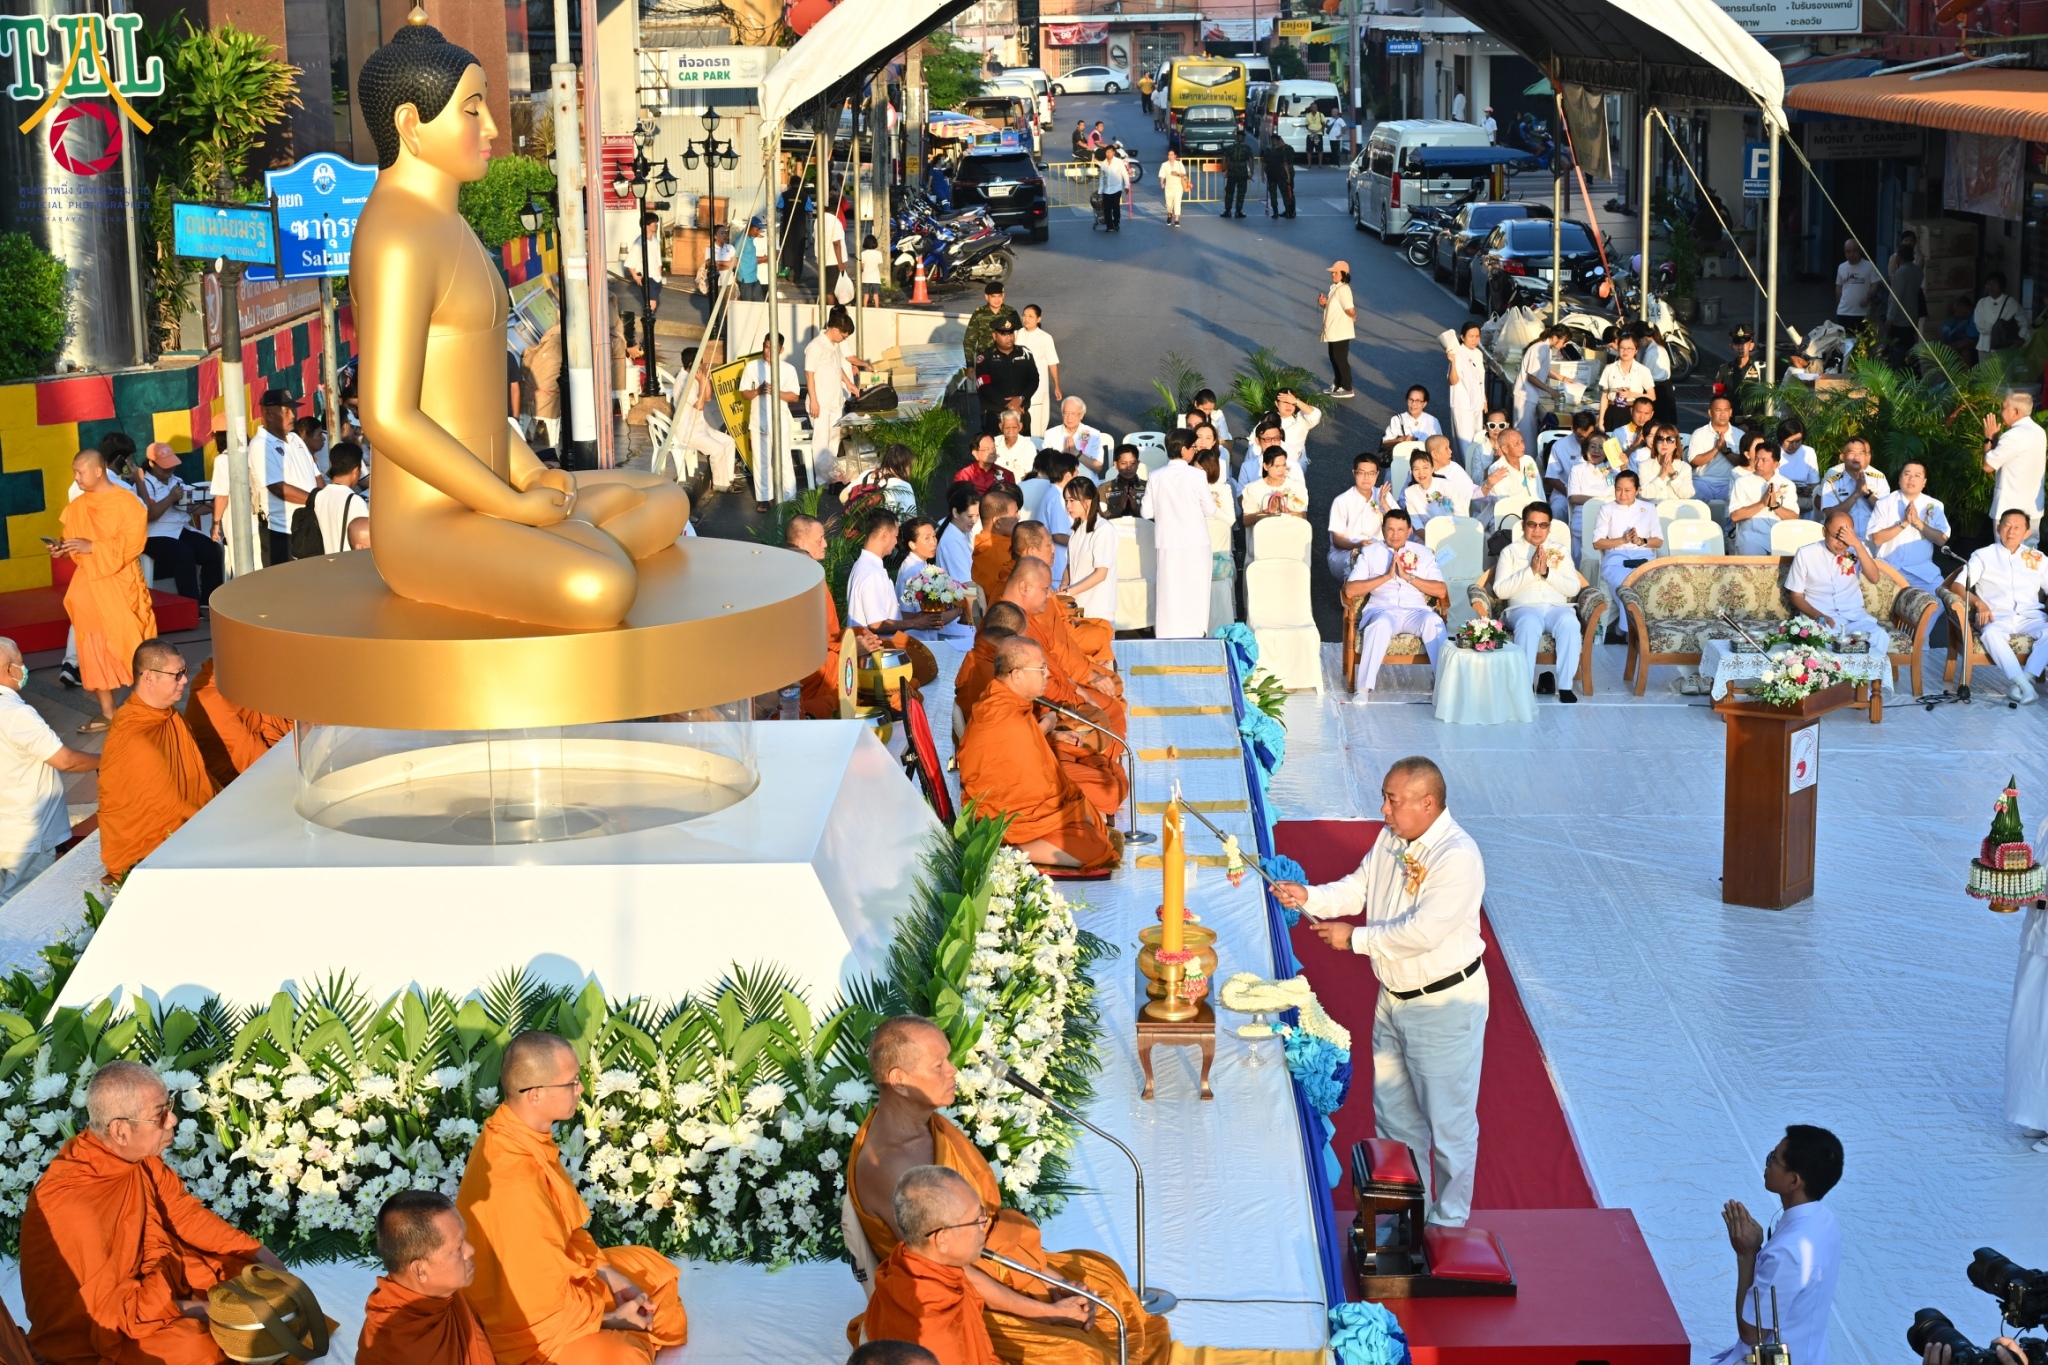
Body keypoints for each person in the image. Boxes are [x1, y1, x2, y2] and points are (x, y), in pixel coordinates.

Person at [848, 1017, 1165, 1362]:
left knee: (1104, 1278)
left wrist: (1051, 1278)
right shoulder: (892, 1166)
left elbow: (978, 1231)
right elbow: (952, 1267)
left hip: (990, 1258)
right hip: (959, 1294)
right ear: (900, 1080)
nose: (953, 1071)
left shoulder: (925, 1123)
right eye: (938, 1065)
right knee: (1080, 1353)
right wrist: (1046, 1310)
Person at [1272, 757, 1486, 1225]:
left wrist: (1355, 939)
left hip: (1444, 1004)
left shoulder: (1458, 858)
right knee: (1393, 1115)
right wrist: (1309, 895)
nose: (1383, 810)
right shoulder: (1393, 837)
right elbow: (1358, 888)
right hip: (1393, 998)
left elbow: (1423, 932)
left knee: (1448, 1122)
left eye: (1393, 800)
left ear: (1428, 804)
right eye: (1385, 798)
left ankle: (1448, 1223)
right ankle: (1409, 1214)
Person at [22, 1060, 288, 1365]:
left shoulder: (133, 1156)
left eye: (169, 1106)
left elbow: (185, 1215)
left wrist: (257, 1251)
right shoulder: (76, 1205)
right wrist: (210, 1309)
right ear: (120, 1130)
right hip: (98, 1334)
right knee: (197, 1347)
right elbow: (114, 1312)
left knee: (248, 1273)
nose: (172, 1119)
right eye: (159, 1113)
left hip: (151, 1284)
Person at [457, 1032, 687, 1364]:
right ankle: (628, 1334)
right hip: (524, 1325)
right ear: (535, 1094)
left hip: (556, 1280)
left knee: (652, 1267)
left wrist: (610, 1275)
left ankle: (630, 1329)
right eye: (572, 1082)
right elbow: (536, 1299)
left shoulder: (515, 1132)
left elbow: (566, 1236)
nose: (580, 1090)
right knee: (626, 1357)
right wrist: (609, 1318)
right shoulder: (513, 1175)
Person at [956, 637, 1120, 871]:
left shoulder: (1003, 699)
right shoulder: (1004, 716)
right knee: (1096, 848)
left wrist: (1051, 734)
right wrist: (1060, 806)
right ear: (1017, 675)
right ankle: (1005, 852)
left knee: (1089, 818)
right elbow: (1029, 787)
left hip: (1025, 802)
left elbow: (1022, 752)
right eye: (1041, 669)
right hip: (1002, 816)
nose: (1047, 675)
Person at [1708, 1126, 1843, 1365]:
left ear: (1794, 1180)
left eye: (1774, 1158)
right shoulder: (1824, 1219)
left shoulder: (1789, 1252)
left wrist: (1747, 1255)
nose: (1767, 1163)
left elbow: (1753, 1334)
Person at [862, 1166, 1009, 1365]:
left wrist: (1050, 1314)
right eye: (978, 1220)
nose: (984, 1226)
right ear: (943, 1239)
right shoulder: (930, 1334)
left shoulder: (909, 1257)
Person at [95, 639, 213, 880]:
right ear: (149, 677)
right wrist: (217, 821)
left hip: (189, 825)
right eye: (177, 674)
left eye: (184, 672)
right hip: (149, 850)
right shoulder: (136, 736)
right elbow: (171, 808)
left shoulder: (168, 715)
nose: (184, 680)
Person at [56, 449, 156, 734]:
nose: (76, 478)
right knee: (91, 649)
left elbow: (133, 544)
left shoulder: (128, 504)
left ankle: (147, 706)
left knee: (133, 645)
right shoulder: (77, 507)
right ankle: (108, 712)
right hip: (88, 590)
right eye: (75, 472)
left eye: (80, 472)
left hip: (121, 586)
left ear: (98, 471)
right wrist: (62, 550)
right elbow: (73, 545)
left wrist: (94, 547)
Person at [0, 636, 96, 901]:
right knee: (22, 906)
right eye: (21, 663)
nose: (24, 669)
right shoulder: (15, 713)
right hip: (26, 832)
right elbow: (66, 760)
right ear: (9, 669)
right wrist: (105, 760)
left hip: (7, 830)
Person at [358, 1191, 495, 1365]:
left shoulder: (443, 1294)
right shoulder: (393, 1349)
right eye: (458, 1247)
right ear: (420, 1270)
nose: (470, 1251)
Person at [1949, 509, 2048, 704]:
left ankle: (2023, 683)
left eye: (2018, 527)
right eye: (2007, 526)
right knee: (1990, 634)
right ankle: (2025, 686)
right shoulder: (1983, 555)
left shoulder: (2037, 558)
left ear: (2027, 533)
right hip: (1997, 617)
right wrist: (1979, 602)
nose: (2011, 531)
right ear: (1998, 527)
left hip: (2031, 617)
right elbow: (1957, 585)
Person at [1343, 510, 1446, 694]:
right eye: (1390, 529)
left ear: (1409, 531)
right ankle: (1363, 689)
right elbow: (1350, 590)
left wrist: (1409, 577)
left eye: (1400, 529)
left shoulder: (1424, 553)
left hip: (1416, 612)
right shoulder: (1369, 553)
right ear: (1383, 530)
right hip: (1384, 610)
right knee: (1379, 625)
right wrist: (1386, 577)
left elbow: (1440, 590)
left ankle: (1447, 687)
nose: (1395, 534)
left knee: (1434, 621)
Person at [789, 515, 878, 719]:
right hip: (808, 666)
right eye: (820, 539)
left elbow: (828, 634)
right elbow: (804, 645)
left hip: (822, 650)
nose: (826, 544)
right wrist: (851, 649)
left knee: (865, 636)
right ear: (802, 543)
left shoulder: (811, 573)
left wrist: (854, 641)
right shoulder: (798, 577)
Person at [1494, 504, 1584, 701]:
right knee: (1529, 623)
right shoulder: (1510, 552)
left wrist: (1547, 573)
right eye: (1532, 524)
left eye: (1543, 525)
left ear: (1549, 527)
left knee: (1570, 622)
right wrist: (1531, 571)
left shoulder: (1560, 550)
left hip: (1556, 608)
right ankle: (1524, 686)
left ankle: (1566, 686)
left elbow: (1573, 588)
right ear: (1523, 525)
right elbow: (1500, 590)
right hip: (1523, 609)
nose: (1537, 530)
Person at [1784, 512, 1891, 661]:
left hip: (1854, 619)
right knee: (1820, 643)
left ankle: (1864, 681)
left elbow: (1874, 578)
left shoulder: (1856, 550)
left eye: (1845, 538)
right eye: (1836, 537)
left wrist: (1857, 545)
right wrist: (1817, 615)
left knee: (1879, 636)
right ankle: (1837, 683)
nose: (1841, 543)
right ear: (1824, 532)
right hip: (1822, 620)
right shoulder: (1806, 553)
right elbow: (1795, 596)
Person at [1141, 431, 1214, 638]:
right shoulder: (1197, 475)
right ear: (1183, 450)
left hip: (1168, 543)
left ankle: (1166, 636)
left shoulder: (1156, 476)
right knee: (1196, 592)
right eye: (1193, 447)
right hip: (1195, 543)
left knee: (1169, 593)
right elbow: (1210, 510)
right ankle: (1196, 634)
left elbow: (1146, 512)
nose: (1195, 451)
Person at [139, 442, 222, 606]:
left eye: (172, 465)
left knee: (212, 550)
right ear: (151, 464)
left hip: (179, 530)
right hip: (154, 535)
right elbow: (149, 515)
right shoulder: (142, 484)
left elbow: (194, 508)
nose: (169, 470)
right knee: (183, 555)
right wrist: (170, 498)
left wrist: (216, 504)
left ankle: (209, 603)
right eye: (164, 467)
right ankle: (191, 606)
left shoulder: (176, 481)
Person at [253, 389, 319, 566]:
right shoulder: (260, 446)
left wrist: (323, 501)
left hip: (309, 526)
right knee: (283, 589)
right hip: (282, 532)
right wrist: (317, 500)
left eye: (293, 410)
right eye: (285, 411)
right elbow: (277, 488)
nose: (292, 415)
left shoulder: (296, 438)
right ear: (268, 413)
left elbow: (316, 475)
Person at [1593, 471, 1661, 641]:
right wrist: (1622, 540)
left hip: (1644, 559)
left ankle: (1643, 633)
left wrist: (1641, 541)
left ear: (1637, 490)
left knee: (1653, 584)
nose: (1622, 494)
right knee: (1627, 584)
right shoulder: (1606, 509)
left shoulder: (1649, 508)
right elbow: (1597, 543)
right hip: (1616, 560)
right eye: (1618, 489)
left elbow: (1658, 541)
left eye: (1628, 490)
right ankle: (1629, 631)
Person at [1866, 460, 1949, 593]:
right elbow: (1876, 539)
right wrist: (1904, 523)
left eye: (1917, 476)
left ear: (1924, 482)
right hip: (1889, 570)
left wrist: (1917, 523)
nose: (1911, 479)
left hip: (1922, 572)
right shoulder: (1884, 503)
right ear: (1899, 479)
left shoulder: (1935, 505)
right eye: (1907, 474)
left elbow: (1942, 539)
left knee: (1942, 599)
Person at [742, 331, 801, 508]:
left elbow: (795, 397)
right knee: (761, 462)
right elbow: (745, 393)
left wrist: (776, 391)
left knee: (784, 460)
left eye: (772, 348)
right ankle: (764, 499)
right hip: (758, 421)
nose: (768, 351)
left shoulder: (788, 369)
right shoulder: (752, 367)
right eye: (766, 347)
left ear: (781, 350)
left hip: (780, 420)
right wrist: (758, 391)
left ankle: (789, 498)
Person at [1984, 389, 2047, 537]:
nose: (2000, 411)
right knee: (2029, 554)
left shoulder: (2013, 435)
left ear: (2016, 412)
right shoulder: (2039, 431)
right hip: (2032, 507)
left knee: (2006, 554)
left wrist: (1988, 438)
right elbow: (2014, 456)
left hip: (2009, 509)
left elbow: (1988, 466)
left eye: (2004, 407)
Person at [806, 311, 858, 488]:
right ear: (835, 329)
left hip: (835, 399)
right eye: (843, 335)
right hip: (820, 401)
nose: (844, 339)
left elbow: (837, 368)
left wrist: (849, 383)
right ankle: (821, 480)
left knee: (834, 438)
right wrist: (814, 400)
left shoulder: (834, 346)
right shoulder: (816, 346)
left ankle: (830, 476)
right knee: (821, 440)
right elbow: (809, 375)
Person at [1062, 477, 1118, 626]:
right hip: (1077, 606)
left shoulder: (1103, 529)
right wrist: (1064, 583)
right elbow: (1069, 565)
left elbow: (1101, 573)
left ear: (1088, 500)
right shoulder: (1076, 529)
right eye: (1066, 501)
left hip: (1098, 608)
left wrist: (1068, 593)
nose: (1068, 505)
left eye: (1072, 500)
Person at [1727, 440, 1799, 556]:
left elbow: (1793, 518)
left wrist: (1775, 505)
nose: (1758, 464)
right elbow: (1735, 516)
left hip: (1780, 538)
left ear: (1776, 465)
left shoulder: (1787, 484)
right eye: (1756, 458)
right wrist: (1762, 503)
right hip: (1751, 537)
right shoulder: (1742, 482)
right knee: (1752, 558)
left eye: (1764, 460)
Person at [1327, 453, 1387, 580]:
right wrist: (1359, 545)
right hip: (1345, 552)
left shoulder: (1382, 495)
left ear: (1377, 474)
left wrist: (1384, 503)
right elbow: (1337, 541)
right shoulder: (1342, 501)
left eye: (1371, 473)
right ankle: (1354, 596)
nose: (1366, 477)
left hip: (1376, 550)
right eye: (1361, 473)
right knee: (1362, 559)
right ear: (1354, 473)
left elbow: (1399, 524)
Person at [1816, 436, 1890, 539]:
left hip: (1873, 539)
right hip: (1843, 540)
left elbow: (1887, 511)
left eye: (1861, 453)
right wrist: (1856, 494)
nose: (1857, 457)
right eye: (1852, 453)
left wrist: (1867, 493)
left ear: (1866, 457)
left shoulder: (1879, 480)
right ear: (1842, 457)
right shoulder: (1832, 483)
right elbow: (1830, 515)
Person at [976, 320, 1038, 437]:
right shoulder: (985, 357)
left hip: (1020, 415)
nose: (1008, 337)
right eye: (1003, 334)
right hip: (996, 416)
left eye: (1010, 333)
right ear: (994, 336)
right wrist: (1009, 404)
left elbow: (1034, 380)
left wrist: (1021, 398)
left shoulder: (1025, 353)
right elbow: (984, 385)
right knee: (995, 453)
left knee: (1024, 451)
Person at [311, 443, 370, 554]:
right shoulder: (354, 501)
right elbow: (364, 541)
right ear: (356, 470)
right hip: (347, 562)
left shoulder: (319, 496)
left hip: (326, 562)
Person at [1514, 324, 1566, 451]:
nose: (1564, 345)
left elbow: (1543, 369)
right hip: (1525, 395)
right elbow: (1531, 376)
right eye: (1564, 342)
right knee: (1525, 436)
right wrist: (1550, 390)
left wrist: (1562, 378)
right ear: (1555, 338)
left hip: (1531, 395)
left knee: (1529, 433)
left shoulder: (1546, 347)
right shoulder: (1540, 349)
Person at [971, 487, 1023, 607]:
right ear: (998, 522)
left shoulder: (982, 545)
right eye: (1015, 513)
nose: (1018, 517)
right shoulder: (1005, 553)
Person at [1480, 429, 1544, 526]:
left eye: (1522, 441)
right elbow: (1503, 503)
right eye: (1516, 444)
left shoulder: (1528, 460)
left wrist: (1540, 513)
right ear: (1505, 449)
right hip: (1506, 516)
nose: (1522, 446)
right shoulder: (1496, 469)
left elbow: (1538, 492)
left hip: (1533, 513)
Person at [1016, 305, 1062, 437]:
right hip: (1020, 386)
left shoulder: (1045, 338)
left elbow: (1052, 362)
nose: (1026, 319)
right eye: (1024, 315)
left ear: (1038, 319)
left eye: (1031, 316)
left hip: (1038, 386)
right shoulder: (1018, 334)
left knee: (1037, 421)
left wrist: (1057, 386)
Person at [1597, 334, 1655, 434]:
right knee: (1611, 444)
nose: (1625, 351)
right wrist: (1601, 421)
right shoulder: (1609, 369)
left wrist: (1632, 394)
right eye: (1622, 348)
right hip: (1613, 411)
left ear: (1636, 350)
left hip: (1632, 411)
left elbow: (1652, 396)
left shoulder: (1643, 370)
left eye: (1630, 348)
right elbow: (1604, 397)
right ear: (1618, 348)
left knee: (1630, 444)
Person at [1713, 327, 1770, 429]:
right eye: (1737, 344)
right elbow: (1717, 398)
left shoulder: (1761, 369)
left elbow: (1767, 401)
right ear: (1731, 346)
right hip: (1730, 425)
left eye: (1744, 344)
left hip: (1755, 426)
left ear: (1751, 346)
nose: (1740, 347)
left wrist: (1749, 425)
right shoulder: (1724, 370)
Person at [1446, 322, 1486, 465]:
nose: (1475, 340)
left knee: (1477, 440)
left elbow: (1480, 379)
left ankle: (1474, 471)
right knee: (1464, 443)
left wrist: (1484, 399)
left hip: (1477, 404)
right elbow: (1453, 381)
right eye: (1471, 336)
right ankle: (1466, 473)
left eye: (1477, 336)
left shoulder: (1479, 354)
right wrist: (1453, 362)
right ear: (1463, 337)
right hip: (1462, 404)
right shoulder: (1456, 353)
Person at [1040, 396, 1106, 478]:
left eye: (1073, 413)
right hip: (1060, 484)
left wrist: (1076, 453)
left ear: (1081, 415)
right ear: (1062, 414)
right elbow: (1044, 467)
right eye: (1066, 413)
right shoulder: (1050, 434)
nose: (1069, 417)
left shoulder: (1093, 434)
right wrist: (1064, 454)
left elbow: (1098, 467)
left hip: (1086, 484)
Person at [963, 281, 1022, 371]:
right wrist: (970, 364)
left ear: (1003, 296)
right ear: (987, 297)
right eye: (993, 296)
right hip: (985, 362)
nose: (997, 300)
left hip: (1007, 362)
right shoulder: (979, 314)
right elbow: (969, 341)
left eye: (999, 296)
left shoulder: (1011, 312)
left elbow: (1020, 337)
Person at [1241, 448, 1307, 526]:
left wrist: (1285, 510)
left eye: (1284, 465)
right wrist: (1268, 511)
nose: (1281, 470)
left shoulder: (1297, 487)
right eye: (1277, 466)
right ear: (1265, 466)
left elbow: (1303, 517)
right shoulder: (1252, 489)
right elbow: (1247, 521)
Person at [1319, 261, 1356, 398]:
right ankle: (1338, 384)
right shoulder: (1336, 288)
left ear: (1343, 274)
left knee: (1340, 359)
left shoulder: (1344, 289)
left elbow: (1349, 308)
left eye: (1335, 272)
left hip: (1341, 331)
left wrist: (1353, 315)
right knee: (1334, 357)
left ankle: (1347, 388)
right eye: (1332, 272)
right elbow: (1336, 308)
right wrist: (1325, 304)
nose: (1333, 274)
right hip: (1334, 331)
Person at [1402, 451, 1460, 536]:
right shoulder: (1409, 492)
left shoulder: (1446, 485)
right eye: (1416, 469)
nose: (1421, 473)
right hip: (1425, 536)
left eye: (1425, 467)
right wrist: (1430, 541)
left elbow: (1459, 512)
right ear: (1412, 471)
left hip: (1451, 532)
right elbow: (1416, 523)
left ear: (1432, 468)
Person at [1833, 238, 1882, 332]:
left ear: (1860, 250)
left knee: (1862, 343)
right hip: (1844, 312)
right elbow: (1838, 287)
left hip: (1862, 313)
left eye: (1855, 251)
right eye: (1848, 252)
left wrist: (1868, 297)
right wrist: (1839, 305)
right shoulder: (1841, 267)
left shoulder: (1869, 266)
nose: (1851, 254)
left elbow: (1875, 284)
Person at [1885, 231, 1924, 349]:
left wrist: (1890, 318)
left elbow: (1897, 297)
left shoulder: (1900, 273)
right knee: (1910, 346)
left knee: (1897, 349)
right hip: (1913, 315)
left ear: (1900, 257)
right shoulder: (1918, 270)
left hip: (1900, 319)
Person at [1637, 427, 1695, 503]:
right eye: (1660, 439)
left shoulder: (1684, 467)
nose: (1664, 443)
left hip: (1675, 511)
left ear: (1676, 444)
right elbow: (1644, 494)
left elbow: (1688, 494)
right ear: (1655, 443)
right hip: (1653, 511)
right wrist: (1662, 474)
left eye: (1670, 439)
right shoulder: (1644, 466)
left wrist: (1673, 473)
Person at [952, 432, 1015, 500]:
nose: (992, 452)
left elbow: (1014, 500)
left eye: (993, 447)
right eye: (986, 449)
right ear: (975, 453)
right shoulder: (963, 476)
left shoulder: (1007, 474)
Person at [937, 484, 979, 588]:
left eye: (977, 515)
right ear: (955, 512)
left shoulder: (957, 534)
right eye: (970, 516)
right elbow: (966, 583)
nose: (974, 520)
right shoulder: (952, 541)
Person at [1976, 272, 2031, 350]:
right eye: (1988, 283)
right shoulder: (1982, 303)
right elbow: (1980, 326)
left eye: (1994, 283)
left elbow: (2025, 323)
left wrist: (2022, 338)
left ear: (2001, 285)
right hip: (1984, 346)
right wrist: (1998, 330)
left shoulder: (2011, 302)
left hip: (2004, 347)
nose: (1990, 286)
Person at [1382, 385, 1442, 452]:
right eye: (1411, 400)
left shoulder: (1433, 421)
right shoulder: (1397, 420)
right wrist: (1401, 439)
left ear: (1424, 404)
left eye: (1418, 401)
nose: (1413, 404)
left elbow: (1440, 446)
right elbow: (1385, 445)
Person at [1274, 387, 1322, 470]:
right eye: (1285, 402)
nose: (1289, 405)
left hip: (1295, 466)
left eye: (1291, 403)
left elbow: (1315, 415)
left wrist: (1296, 401)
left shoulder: (1301, 420)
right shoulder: (1268, 418)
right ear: (1276, 403)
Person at [992, 408, 1037, 483]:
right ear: (1001, 427)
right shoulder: (993, 443)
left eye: (1014, 427)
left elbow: (1027, 474)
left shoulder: (1028, 445)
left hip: (1019, 487)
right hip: (996, 487)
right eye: (1007, 428)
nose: (1011, 431)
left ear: (1020, 426)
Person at [1103, 445, 1147, 520]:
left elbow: (1157, 516)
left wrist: (1136, 508)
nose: (1128, 468)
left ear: (1138, 464)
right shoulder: (1104, 489)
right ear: (1116, 465)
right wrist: (1119, 508)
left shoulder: (1148, 487)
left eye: (1132, 463)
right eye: (1123, 463)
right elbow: (1097, 518)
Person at [1261, 131, 1295, 218]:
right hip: (1280, 175)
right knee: (1285, 194)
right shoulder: (1282, 150)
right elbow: (1285, 164)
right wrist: (1288, 176)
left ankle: (1275, 213)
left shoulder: (1267, 150)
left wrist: (1262, 175)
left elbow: (1264, 164)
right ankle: (1288, 211)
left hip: (1271, 175)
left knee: (1273, 194)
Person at [1220, 129, 1253, 218]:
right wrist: (1251, 172)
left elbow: (1224, 158)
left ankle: (1227, 211)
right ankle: (1238, 211)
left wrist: (1224, 170)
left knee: (1229, 192)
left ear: (1236, 137)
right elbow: (1250, 159)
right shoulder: (1247, 148)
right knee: (1241, 192)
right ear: (1244, 138)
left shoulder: (1230, 147)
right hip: (1242, 172)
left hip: (1232, 172)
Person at [1095, 146, 1129, 232]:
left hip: (1116, 188)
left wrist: (1126, 186)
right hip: (1107, 190)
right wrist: (1100, 190)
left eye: (1110, 152)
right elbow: (1102, 178)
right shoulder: (1103, 164)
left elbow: (1124, 174)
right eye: (1107, 152)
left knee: (1115, 207)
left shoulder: (1119, 162)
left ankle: (1116, 223)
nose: (1108, 154)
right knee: (1107, 208)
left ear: (1113, 152)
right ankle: (1109, 226)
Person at [737, 216, 768, 301]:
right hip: (745, 279)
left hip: (754, 277)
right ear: (749, 227)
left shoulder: (750, 239)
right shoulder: (741, 241)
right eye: (757, 229)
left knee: (760, 303)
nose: (758, 232)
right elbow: (735, 259)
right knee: (747, 305)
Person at [1158, 148, 1189, 226]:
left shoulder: (1179, 164)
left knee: (1177, 202)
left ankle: (1176, 220)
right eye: (1169, 155)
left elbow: (1184, 174)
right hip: (1169, 186)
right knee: (1169, 203)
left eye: (1172, 155)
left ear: (1175, 156)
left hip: (1178, 186)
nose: (1170, 156)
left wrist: (1177, 174)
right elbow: (1162, 175)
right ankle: (1169, 215)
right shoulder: (1164, 164)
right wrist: (1162, 183)